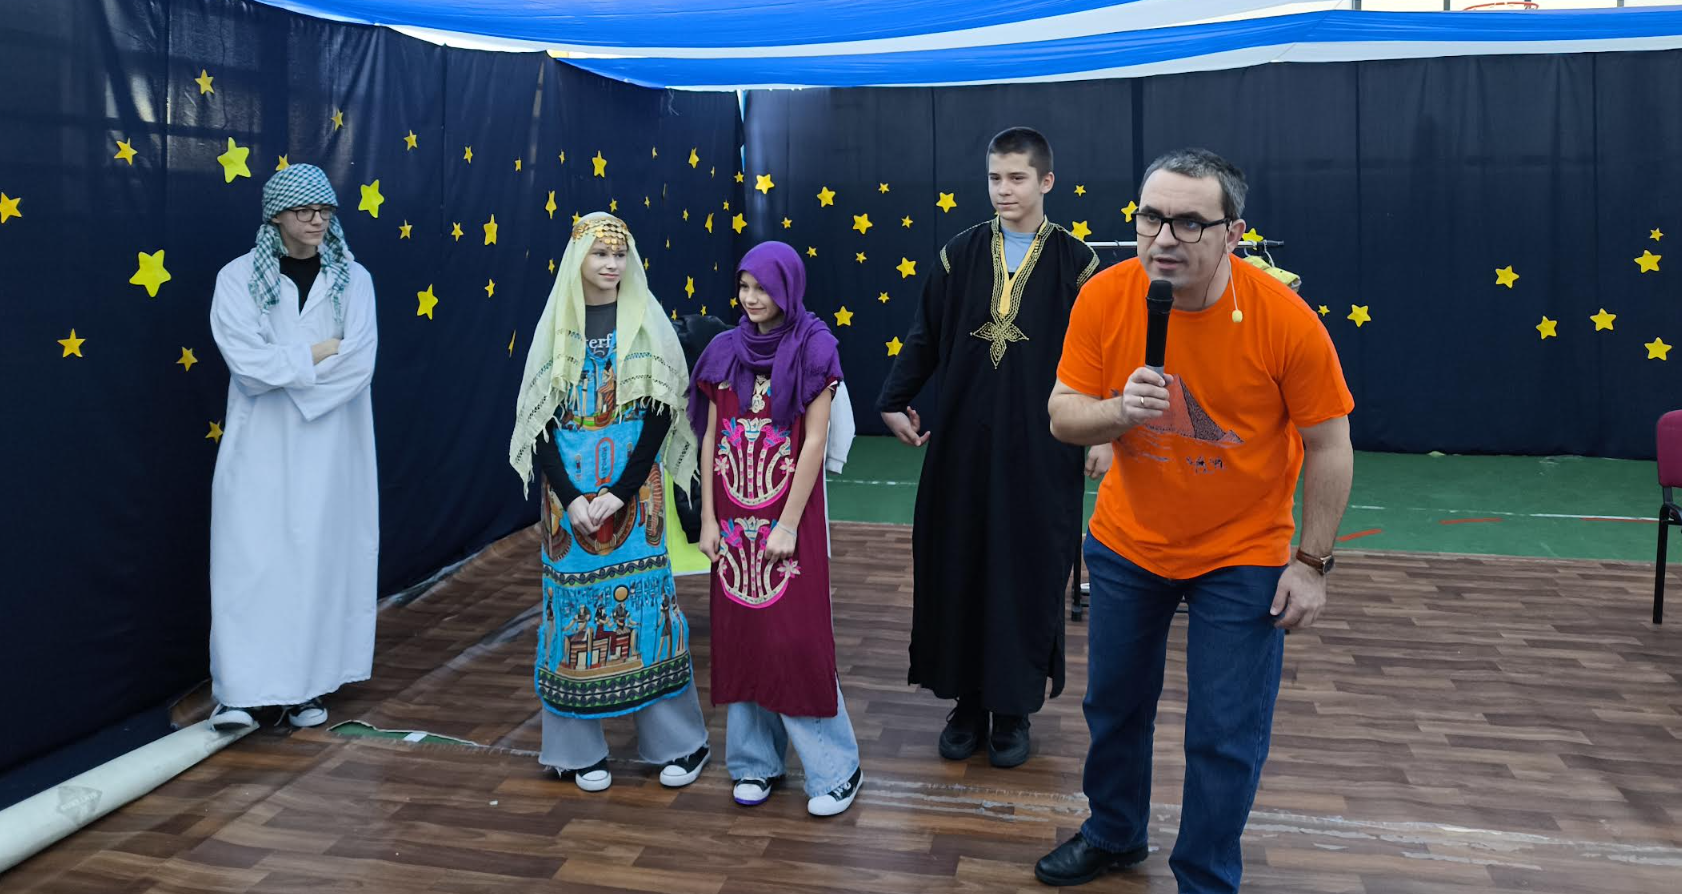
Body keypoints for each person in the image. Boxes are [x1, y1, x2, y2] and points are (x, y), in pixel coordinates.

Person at [1036, 148, 1355, 891]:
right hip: (1128, 544)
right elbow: (1062, 414)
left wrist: (1311, 564)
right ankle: (1114, 833)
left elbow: (1330, 444)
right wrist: (1120, 412)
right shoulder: (1105, 297)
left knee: (1224, 731)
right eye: (1151, 217)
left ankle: (1206, 876)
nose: (1164, 238)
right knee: (1114, 707)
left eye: (1189, 222)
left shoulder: (1283, 318)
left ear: (1232, 232)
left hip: (1242, 554)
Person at [876, 126, 1107, 767]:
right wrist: (895, 398)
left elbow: (1105, 352)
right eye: (995, 178)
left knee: (1026, 566)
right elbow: (925, 333)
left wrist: (1106, 431)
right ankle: (967, 702)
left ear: (1046, 181)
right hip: (964, 444)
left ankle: (1013, 708)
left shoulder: (1078, 264)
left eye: (1017, 178)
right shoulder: (960, 253)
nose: (1004, 190)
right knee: (959, 560)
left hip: (1042, 447)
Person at [509, 212, 709, 792]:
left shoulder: (647, 321)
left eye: (620, 254)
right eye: (600, 254)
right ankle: (574, 751)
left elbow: (662, 414)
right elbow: (540, 423)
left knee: (650, 611)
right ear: (579, 259)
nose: (611, 264)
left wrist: (621, 492)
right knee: (572, 613)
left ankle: (680, 744)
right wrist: (571, 498)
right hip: (567, 506)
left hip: (634, 498)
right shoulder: (555, 329)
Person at [690, 241, 863, 817]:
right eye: (744, 286)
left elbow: (814, 441)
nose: (751, 297)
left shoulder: (815, 347)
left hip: (790, 517)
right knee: (743, 635)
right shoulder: (722, 351)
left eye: (762, 287)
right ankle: (754, 763)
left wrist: (787, 525)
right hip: (732, 520)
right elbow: (709, 439)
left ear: (788, 287)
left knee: (795, 638)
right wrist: (708, 519)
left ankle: (836, 769)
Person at [208, 163, 379, 732]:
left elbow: (358, 363)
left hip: (334, 449)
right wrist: (317, 351)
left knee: (318, 563)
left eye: (325, 210)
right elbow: (247, 366)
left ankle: (307, 687)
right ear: (276, 216)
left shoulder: (354, 279)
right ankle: (240, 692)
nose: (316, 220)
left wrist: (289, 368)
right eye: (304, 211)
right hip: (259, 444)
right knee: (251, 563)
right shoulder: (237, 278)